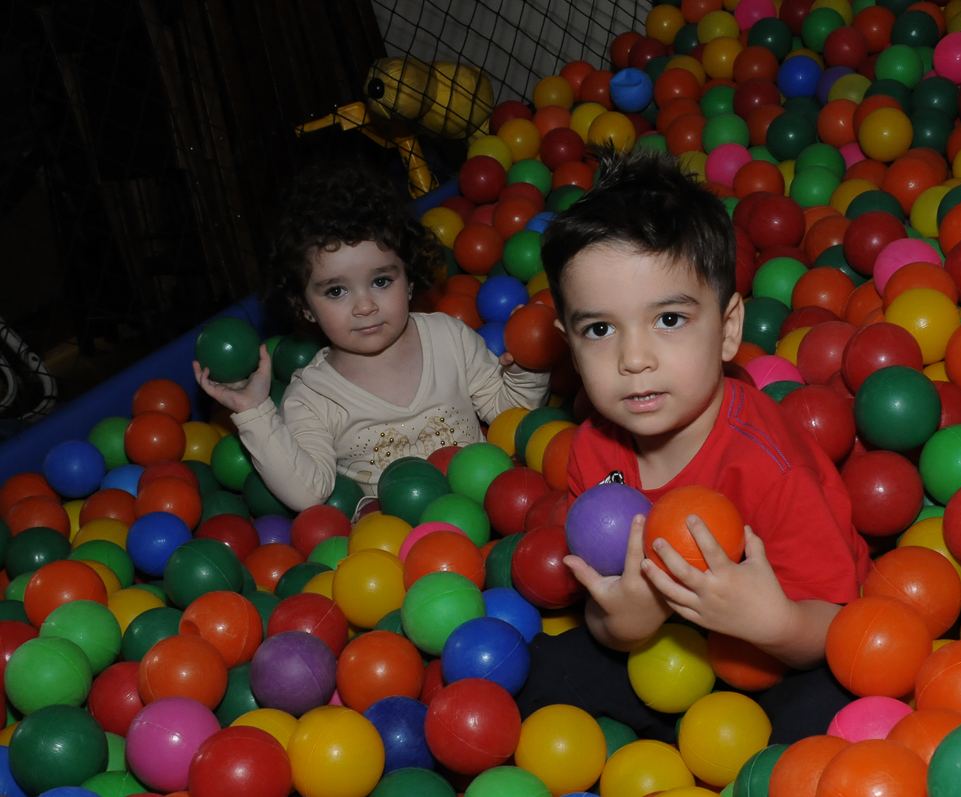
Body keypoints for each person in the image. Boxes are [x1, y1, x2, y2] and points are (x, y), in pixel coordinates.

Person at [515, 147, 871, 745]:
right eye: (599, 330)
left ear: (729, 327)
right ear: (569, 346)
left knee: (831, 722)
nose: (634, 359)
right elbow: (606, 609)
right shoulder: (593, 452)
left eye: (670, 320)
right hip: (665, 653)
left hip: (786, 644)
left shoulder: (769, 465)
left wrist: (772, 623)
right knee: (535, 675)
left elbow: (834, 626)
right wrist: (623, 625)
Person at [194, 159, 549, 512]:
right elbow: (308, 494)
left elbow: (511, 418)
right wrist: (256, 412)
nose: (364, 306)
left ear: (409, 280)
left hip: (483, 511)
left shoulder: (449, 339)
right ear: (304, 306)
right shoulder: (313, 397)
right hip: (389, 551)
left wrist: (528, 363)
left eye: (381, 281)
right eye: (335, 291)